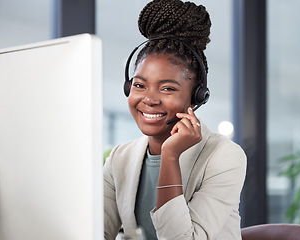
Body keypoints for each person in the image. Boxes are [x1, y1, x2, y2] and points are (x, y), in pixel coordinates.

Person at [103, 0, 247, 239]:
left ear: (196, 97)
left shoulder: (224, 157)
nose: (149, 99)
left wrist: (170, 156)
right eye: (139, 85)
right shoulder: (120, 157)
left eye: (167, 89)